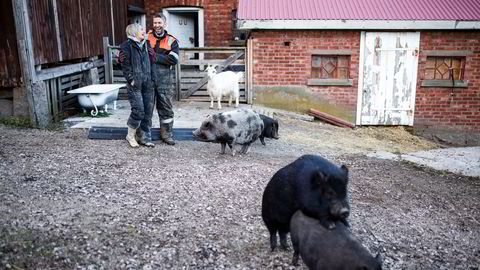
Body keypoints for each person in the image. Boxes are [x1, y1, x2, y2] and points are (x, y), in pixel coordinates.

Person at [119, 23, 156, 148]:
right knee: (138, 110)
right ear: (134, 31)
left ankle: (144, 138)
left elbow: (152, 61)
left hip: (148, 83)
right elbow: (125, 66)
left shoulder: (146, 44)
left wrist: (153, 79)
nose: (143, 31)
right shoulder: (126, 46)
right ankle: (130, 136)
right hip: (135, 85)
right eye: (141, 29)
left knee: (148, 111)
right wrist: (131, 80)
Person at [147, 12, 179, 145]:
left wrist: (155, 57)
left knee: (166, 109)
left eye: (159, 22)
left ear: (164, 24)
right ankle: (144, 135)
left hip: (165, 81)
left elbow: (173, 59)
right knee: (146, 109)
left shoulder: (172, 40)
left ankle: (167, 135)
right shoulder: (146, 37)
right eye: (155, 23)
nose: (157, 25)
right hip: (147, 79)